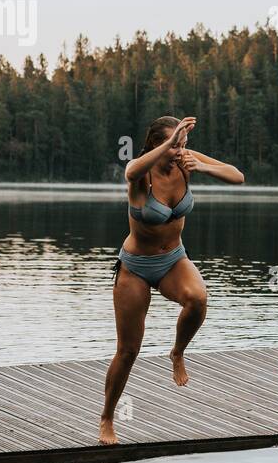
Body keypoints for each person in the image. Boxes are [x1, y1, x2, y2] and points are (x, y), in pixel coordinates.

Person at [99, 115, 244, 445]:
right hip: (135, 266)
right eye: (175, 144)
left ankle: (177, 352)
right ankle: (107, 417)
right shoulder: (141, 175)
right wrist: (169, 143)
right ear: (156, 144)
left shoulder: (185, 163)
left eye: (184, 144)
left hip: (173, 259)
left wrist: (202, 166)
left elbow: (237, 177)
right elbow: (129, 170)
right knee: (128, 351)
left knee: (198, 298)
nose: (181, 151)